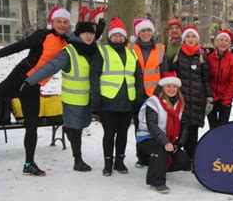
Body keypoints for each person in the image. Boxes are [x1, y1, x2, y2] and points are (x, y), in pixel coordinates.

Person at [0, 7, 72, 176]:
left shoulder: (67, 42)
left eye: (65, 22)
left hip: (33, 86)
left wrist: (96, 33)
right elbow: (19, 46)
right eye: (59, 21)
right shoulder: (42, 35)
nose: (62, 24)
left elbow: (86, 44)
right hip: (18, 78)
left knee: (31, 126)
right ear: (52, 22)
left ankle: (29, 164)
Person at [21, 8, 105, 172]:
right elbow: (50, 67)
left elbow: (90, 45)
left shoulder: (94, 50)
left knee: (80, 126)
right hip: (72, 100)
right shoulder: (69, 52)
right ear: (78, 34)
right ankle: (78, 160)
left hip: (88, 99)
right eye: (85, 33)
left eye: (92, 34)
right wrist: (30, 81)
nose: (89, 36)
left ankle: (69, 133)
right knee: (77, 130)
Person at [90, 17, 144, 176]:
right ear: (110, 37)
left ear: (125, 37)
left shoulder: (132, 53)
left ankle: (120, 162)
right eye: (115, 35)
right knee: (109, 133)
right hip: (108, 100)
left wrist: (138, 96)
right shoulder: (102, 51)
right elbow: (94, 74)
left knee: (123, 133)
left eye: (121, 35)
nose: (118, 38)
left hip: (128, 100)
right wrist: (96, 96)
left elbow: (138, 76)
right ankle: (108, 163)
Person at [136, 72, 191, 194]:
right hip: (147, 138)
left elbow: (185, 126)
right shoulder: (153, 102)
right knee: (160, 150)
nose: (172, 89)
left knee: (183, 160)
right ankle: (156, 181)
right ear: (162, 87)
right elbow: (152, 125)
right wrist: (165, 142)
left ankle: (158, 165)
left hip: (167, 140)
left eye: (174, 86)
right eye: (168, 86)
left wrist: (178, 144)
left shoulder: (180, 104)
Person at [129, 19, 169, 168]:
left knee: (156, 125)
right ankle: (141, 157)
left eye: (148, 30)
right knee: (140, 126)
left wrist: (164, 93)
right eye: (142, 31)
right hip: (137, 93)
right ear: (138, 33)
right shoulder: (130, 47)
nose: (146, 33)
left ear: (152, 32)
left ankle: (154, 155)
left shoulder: (160, 48)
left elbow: (164, 72)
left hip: (155, 94)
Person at [170, 26, 212, 160]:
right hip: (181, 98)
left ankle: (191, 157)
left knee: (193, 130)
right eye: (188, 36)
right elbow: (172, 76)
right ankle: (178, 157)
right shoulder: (178, 54)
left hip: (197, 99)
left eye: (193, 36)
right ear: (184, 39)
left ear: (197, 39)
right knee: (181, 128)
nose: (190, 39)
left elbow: (206, 79)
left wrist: (209, 97)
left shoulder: (202, 55)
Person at [207, 29, 233, 129]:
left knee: (222, 128)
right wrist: (209, 96)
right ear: (216, 43)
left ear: (229, 44)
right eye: (221, 40)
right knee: (212, 128)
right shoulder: (209, 57)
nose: (223, 43)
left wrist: (226, 101)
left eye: (226, 41)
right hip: (211, 99)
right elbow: (206, 78)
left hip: (225, 100)